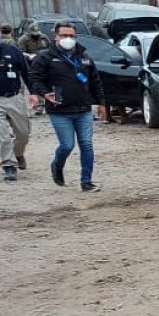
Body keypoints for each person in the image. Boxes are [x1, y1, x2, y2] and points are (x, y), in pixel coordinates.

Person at [29, 22, 104, 193]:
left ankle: (87, 181)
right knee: (67, 145)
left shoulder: (84, 57)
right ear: (55, 37)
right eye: (64, 35)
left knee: (86, 144)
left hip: (83, 109)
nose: (68, 39)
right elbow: (35, 78)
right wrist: (44, 93)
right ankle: (57, 165)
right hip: (60, 111)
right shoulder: (46, 57)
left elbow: (95, 81)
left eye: (71, 36)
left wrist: (101, 103)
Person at [0, 38, 31, 182]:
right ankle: (9, 165)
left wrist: (35, 93)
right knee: (3, 136)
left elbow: (26, 72)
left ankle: (18, 154)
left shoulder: (12, 51)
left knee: (23, 134)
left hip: (14, 97)